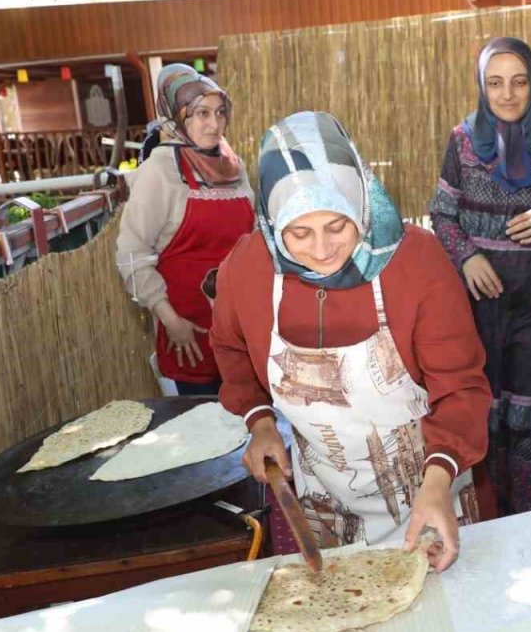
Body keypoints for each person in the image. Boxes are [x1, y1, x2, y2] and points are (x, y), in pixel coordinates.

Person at [210, 112, 490, 571]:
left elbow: (462, 389)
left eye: (338, 227)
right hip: (325, 502)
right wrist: (260, 420)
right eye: (299, 233)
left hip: (432, 488)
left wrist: (440, 479)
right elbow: (231, 347)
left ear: (360, 201)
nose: (321, 250)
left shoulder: (416, 262)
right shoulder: (248, 268)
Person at [430, 37, 531, 516]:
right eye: (495, 83)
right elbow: (441, 215)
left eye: (519, 82)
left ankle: (527, 522)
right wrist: (466, 256)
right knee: (481, 413)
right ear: (482, 87)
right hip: (476, 302)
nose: (507, 94)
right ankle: (483, 521)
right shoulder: (462, 142)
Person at [116, 63, 255, 396]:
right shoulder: (160, 170)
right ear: (176, 117)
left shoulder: (233, 166)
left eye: (220, 112)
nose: (215, 123)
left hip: (240, 329)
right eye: (201, 113)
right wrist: (170, 320)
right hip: (188, 333)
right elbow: (131, 254)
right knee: (201, 432)